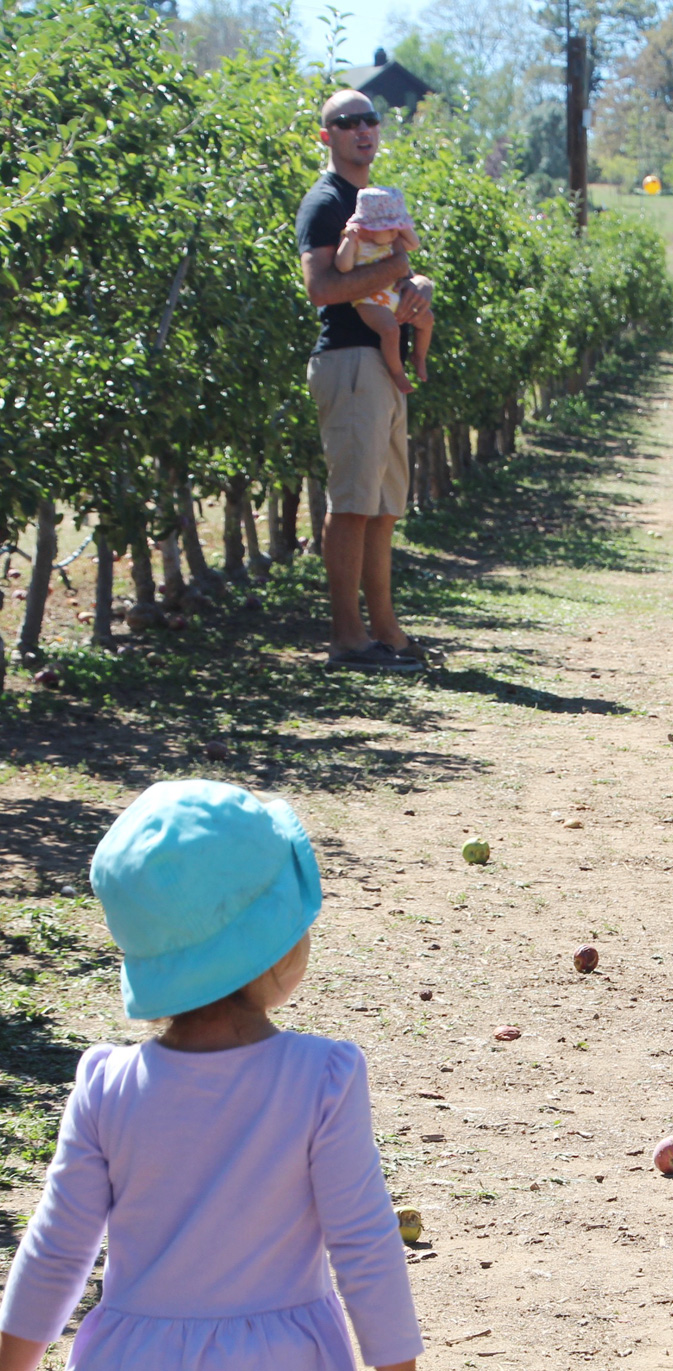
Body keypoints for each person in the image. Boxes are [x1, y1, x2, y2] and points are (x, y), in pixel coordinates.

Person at [0, 779, 424, 1371]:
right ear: (275, 947)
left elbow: (57, 1249)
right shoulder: (322, 1079)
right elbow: (364, 1244)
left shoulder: (107, 1085)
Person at [296, 90, 434, 674]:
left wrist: (417, 282)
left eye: (369, 119)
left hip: (380, 364)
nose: (361, 129)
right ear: (326, 136)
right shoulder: (326, 202)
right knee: (352, 503)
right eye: (346, 123)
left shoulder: (375, 200)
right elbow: (323, 289)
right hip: (350, 362)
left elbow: (399, 266)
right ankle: (348, 640)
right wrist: (397, 269)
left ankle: (386, 633)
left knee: (382, 507)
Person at [336, 186, 433, 396]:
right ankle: (397, 371)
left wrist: (399, 226)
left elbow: (414, 244)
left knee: (427, 319)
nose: (394, 232)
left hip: (393, 294)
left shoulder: (391, 238)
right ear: (368, 227)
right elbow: (343, 267)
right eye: (389, 227)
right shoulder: (357, 242)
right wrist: (349, 240)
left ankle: (419, 355)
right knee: (390, 330)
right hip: (368, 299)